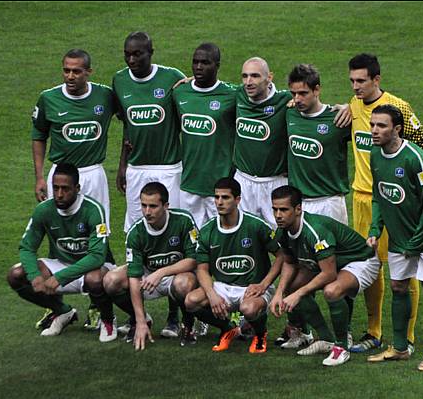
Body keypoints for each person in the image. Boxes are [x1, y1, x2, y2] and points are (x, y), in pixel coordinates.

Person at [343, 53, 423, 354]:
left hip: (397, 203)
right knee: (369, 266)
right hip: (362, 199)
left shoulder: (399, 109)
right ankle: (374, 331)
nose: (356, 87)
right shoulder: (353, 107)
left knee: (405, 267)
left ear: (376, 80)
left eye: (361, 81)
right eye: (352, 81)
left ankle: (405, 337)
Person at [31, 48, 116, 331]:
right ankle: (56, 307)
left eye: (76, 71)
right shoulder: (49, 98)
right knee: (55, 233)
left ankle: (97, 305)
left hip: (93, 173)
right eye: (66, 70)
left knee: (98, 236)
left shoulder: (105, 95)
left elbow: (132, 112)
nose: (70, 76)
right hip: (61, 174)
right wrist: (40, 176)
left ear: (89, 72)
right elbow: (38, 135)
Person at [112, 31, 187, 339]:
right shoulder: (119, 81)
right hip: (136, 170)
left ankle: (174, 314)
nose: (132, 60)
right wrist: (122, 166)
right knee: (135, 235)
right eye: (128, 54)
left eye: (138, 54)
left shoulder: (172, 78)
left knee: (172, 237)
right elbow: (127, 128)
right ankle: (137, 316)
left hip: (169, 169)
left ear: (151, 52)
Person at [365, 104, 423, 371]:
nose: (374, 130)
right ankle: (400, 347)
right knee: (398, 287)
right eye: (373, 124)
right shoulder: (375, 154)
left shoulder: (416, 158)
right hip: (399, 238)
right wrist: (375, 230)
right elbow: (379, 195)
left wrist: (416, 243)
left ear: (397, 129)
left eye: (381, 126)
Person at [269, 185, 380, 367]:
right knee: (292, 285)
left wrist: (298, 294)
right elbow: (289, 263)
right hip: (333, 262)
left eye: (283, 209)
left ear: (298, 209)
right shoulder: (283, 231)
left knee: (331, 291)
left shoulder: (315, 230)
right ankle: (327, 339)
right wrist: (280, 293)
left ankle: (342, 347)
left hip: (361, 260)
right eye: (275, 209)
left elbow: (328, 274)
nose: (278, 215)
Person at [6, 163, 117, 342]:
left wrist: (60, 278)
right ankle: (62, 312)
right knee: (16, 274)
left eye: (65, 189)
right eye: (55, 188)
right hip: (62, 264)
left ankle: (107, 319)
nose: (59, 194)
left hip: (95, 267)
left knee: (94, 279)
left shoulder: (93, 210)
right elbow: (27, 247)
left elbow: (97, 256)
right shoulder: (44, 210)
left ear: (77, 188)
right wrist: (35, 276)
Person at [184, 177, 283, 353]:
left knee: (249, 309)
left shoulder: (255, 225)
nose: (219, 202)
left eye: (225, 197)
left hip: (253, 287)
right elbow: (202, 269)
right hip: (223, 286)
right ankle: (228, 327)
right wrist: (212, 295)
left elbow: (282, 256)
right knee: (191, 301)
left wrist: (264, 284)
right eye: (216, 197)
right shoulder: (207, 230)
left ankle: (261, 333)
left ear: (237, 200)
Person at [102, 182, 200, 350]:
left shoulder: (184, 220)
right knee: (111, 280)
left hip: (177, 276)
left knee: (183, 283)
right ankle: (140, 320)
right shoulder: (136, 232)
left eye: (153, 206)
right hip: (147, 276)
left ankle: (188, 324)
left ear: (166, 206)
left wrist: (161, 272)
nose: (147, 212)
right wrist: (140, 320)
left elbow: (193, 260)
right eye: (144, 205)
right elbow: (134, 277)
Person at [172, 43, 237, 228]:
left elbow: (258, 95)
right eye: (195, 62)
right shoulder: (180, 92)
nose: (199, 67)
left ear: (217, 65)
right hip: (189, 186)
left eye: (205, 63)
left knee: (223, 239)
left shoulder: (231, 95)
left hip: (219, 187)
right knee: (193, 244)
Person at [286, 64, 352, 225]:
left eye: (303, 93)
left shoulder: (338, 118)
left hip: (329, 203)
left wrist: (352, 107)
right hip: (298, 203)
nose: (297, 99)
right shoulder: (290, 113)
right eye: (293, 93)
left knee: (333, 250)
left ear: (317, 90)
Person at [233, 57, 292, 228]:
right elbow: (212, 88)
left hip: (274, 182)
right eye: (244, 76)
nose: (248, 82)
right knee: (244, 235)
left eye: (255, 76)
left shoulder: (285, 101)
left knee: (283, 238)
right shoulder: (238, 95)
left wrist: (346, 108)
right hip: (243, 181)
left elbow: (313, 106)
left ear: (269, 77)